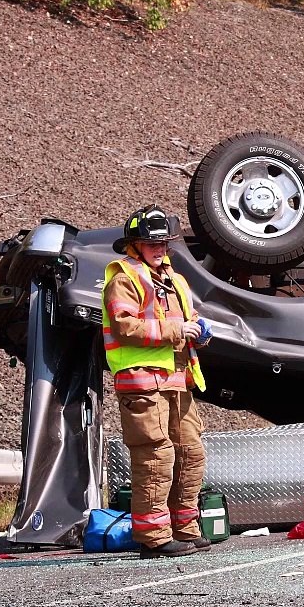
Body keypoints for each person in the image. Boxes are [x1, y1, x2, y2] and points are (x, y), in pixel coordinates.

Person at [103, 205, 212, 559]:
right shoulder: (124, 277)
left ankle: (185, 527)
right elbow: (125, 326)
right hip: (142, 385)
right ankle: (153, 538)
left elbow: (188, 320)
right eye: (152, 243)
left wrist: (200, 332)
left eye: (164, 242)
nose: (160, 249)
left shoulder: (175, 279)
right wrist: (175, 329)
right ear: (134, 245)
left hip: (178, 382)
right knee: (155, 456)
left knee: (190, 453)